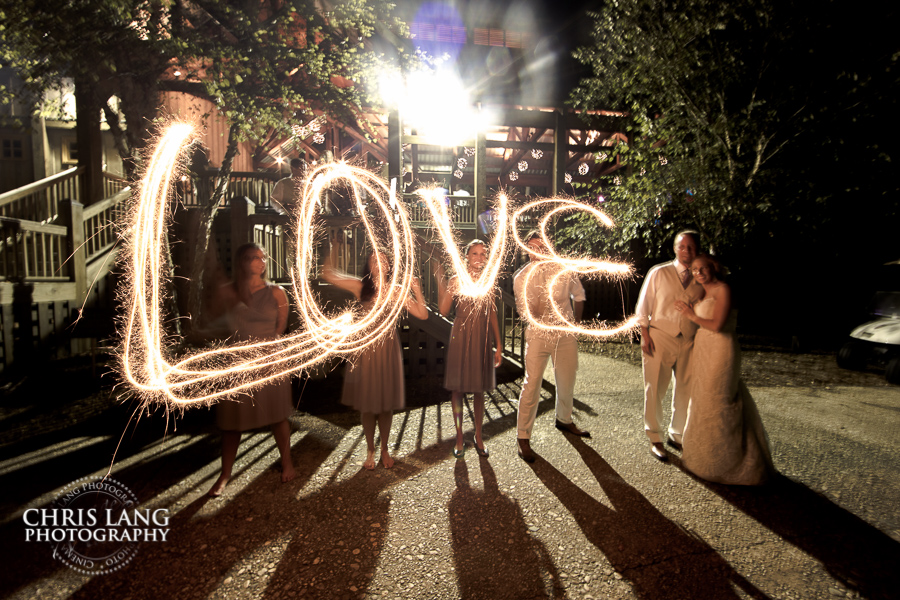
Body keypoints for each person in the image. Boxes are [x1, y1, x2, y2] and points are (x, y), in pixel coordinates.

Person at [322, 236, 428, 470]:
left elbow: (422, 314)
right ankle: (370, 449)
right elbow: (329, 274)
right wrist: (334, 246)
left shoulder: (396, 290)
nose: (379, 264)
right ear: (368, 266)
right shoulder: (361, 287)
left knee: (385, 404)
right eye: (374, 260)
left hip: (388, 350)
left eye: (383, 260)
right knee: (368, 403)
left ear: (389, 265)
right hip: (366, 351)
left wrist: (417, 289)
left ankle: (384, 449)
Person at [674, 255, 774, 484]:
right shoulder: (702, 292)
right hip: (703, 349)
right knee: (702, 401)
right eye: (695, 269)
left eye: (704, 268)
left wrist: (690, 314)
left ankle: (731, 465)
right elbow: (695, 321)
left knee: (720, 400)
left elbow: (718, 325)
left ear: (714, 268)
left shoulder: (723, 289)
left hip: (721, 349)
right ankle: (704, 461)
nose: (699, 272)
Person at [209, 243, 295, 496]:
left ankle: (287, 461)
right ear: (242, 262)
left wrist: (264, 351)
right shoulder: (229, 292)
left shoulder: (277, 292)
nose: (260, 262)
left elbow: (280, 327)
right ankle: (225, 474)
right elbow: (215, 322)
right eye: (254, 258)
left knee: (278, 415)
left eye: (262, 257)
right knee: (231, 421)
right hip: (238, 361)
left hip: (268, 359)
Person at [514, 232, 589, 463]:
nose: (537, 251)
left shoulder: (564, 269)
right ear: (526, 250)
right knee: (532, 382)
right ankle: (523, 436)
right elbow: (528, 313)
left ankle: (564, 419)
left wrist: (574, 323)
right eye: (532, 247)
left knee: (567, 379)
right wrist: (540, 297)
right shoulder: (521, 277)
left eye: (541, 247)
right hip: (538, 336)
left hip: (564, 334)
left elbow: (579, 296)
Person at [635, 230, 704, 462]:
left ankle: (678, 434)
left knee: (685, 388)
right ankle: (655, 436)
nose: (686, 251)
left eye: (691, 247)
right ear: (675, 248)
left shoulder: (700, 278)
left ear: (697, 250)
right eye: (682, 247)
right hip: (659, 335)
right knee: (654, 388)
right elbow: (643, 307)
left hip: (688, 339)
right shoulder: (659, 272)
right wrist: (645, 335)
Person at [435, 240, 503, 459]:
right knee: (458, 389)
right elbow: (444, 311)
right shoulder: (456, 281)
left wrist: (498, 344)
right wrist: (440, 280)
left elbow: (492, 313)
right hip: (461, 336)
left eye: (483, 254)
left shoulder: (488, 282)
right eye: (474, 253)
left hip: (482, 338)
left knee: (479, 389)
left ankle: (479, 436)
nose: (479, 258)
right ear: (466, 256)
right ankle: (458, 437)